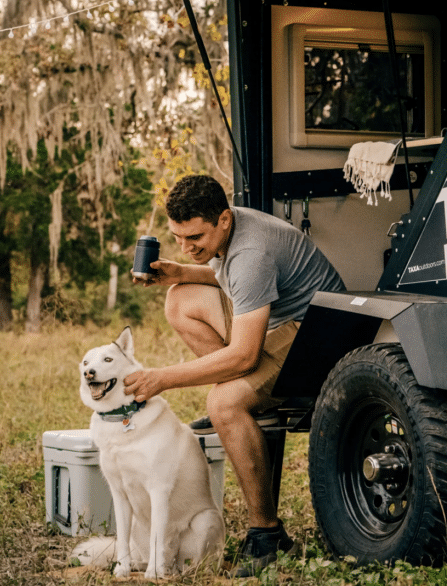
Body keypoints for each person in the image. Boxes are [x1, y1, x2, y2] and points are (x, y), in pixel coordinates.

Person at [124, 174, 345, 576]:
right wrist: (179, 271)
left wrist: (163, 378)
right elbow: (232, 282)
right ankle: (243, 404)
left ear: (223, 219)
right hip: (276, 317)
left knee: (222, 402)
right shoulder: (231, 230)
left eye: (195, 239)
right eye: (178, 238)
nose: (188, 248)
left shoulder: (250, 253)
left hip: (313, 334)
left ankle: (268, 535)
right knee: (180, 299)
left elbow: (244, 355)